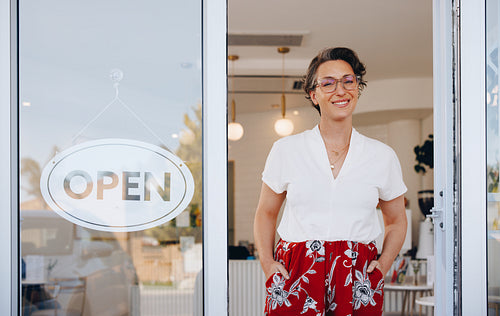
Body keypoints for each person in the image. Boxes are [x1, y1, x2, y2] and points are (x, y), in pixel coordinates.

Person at [254, 47, 408, 315]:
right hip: (297, 271)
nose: (341, 90)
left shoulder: (382, 156)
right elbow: (266, 213)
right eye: (328, 83)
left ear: (357, 88)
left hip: (357, 273)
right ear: (314, 95)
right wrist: (267, 263)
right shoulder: (286, 150)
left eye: (349, 81)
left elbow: (396, 220)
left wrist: (383, 265)